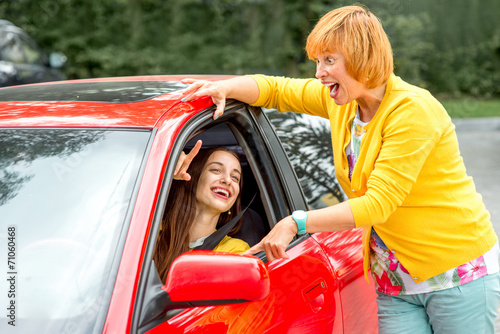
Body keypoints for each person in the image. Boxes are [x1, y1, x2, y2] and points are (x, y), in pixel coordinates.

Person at [179, 5, 500, 333]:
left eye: (329, 60)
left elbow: (377, 205)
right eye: (318, 61)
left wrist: (296, 222)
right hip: (395, 280)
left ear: (363, 58)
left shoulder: (412, 111)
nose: (319, 73)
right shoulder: (344, 107)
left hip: (455, 273)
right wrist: (227, 89)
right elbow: (276, 90)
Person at [153, 140, 249, 283]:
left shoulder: (235, 251)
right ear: (192, 177)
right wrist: (161, 170)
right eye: (216, 170)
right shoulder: (150, 233)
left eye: (235, 177)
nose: (228, 180)